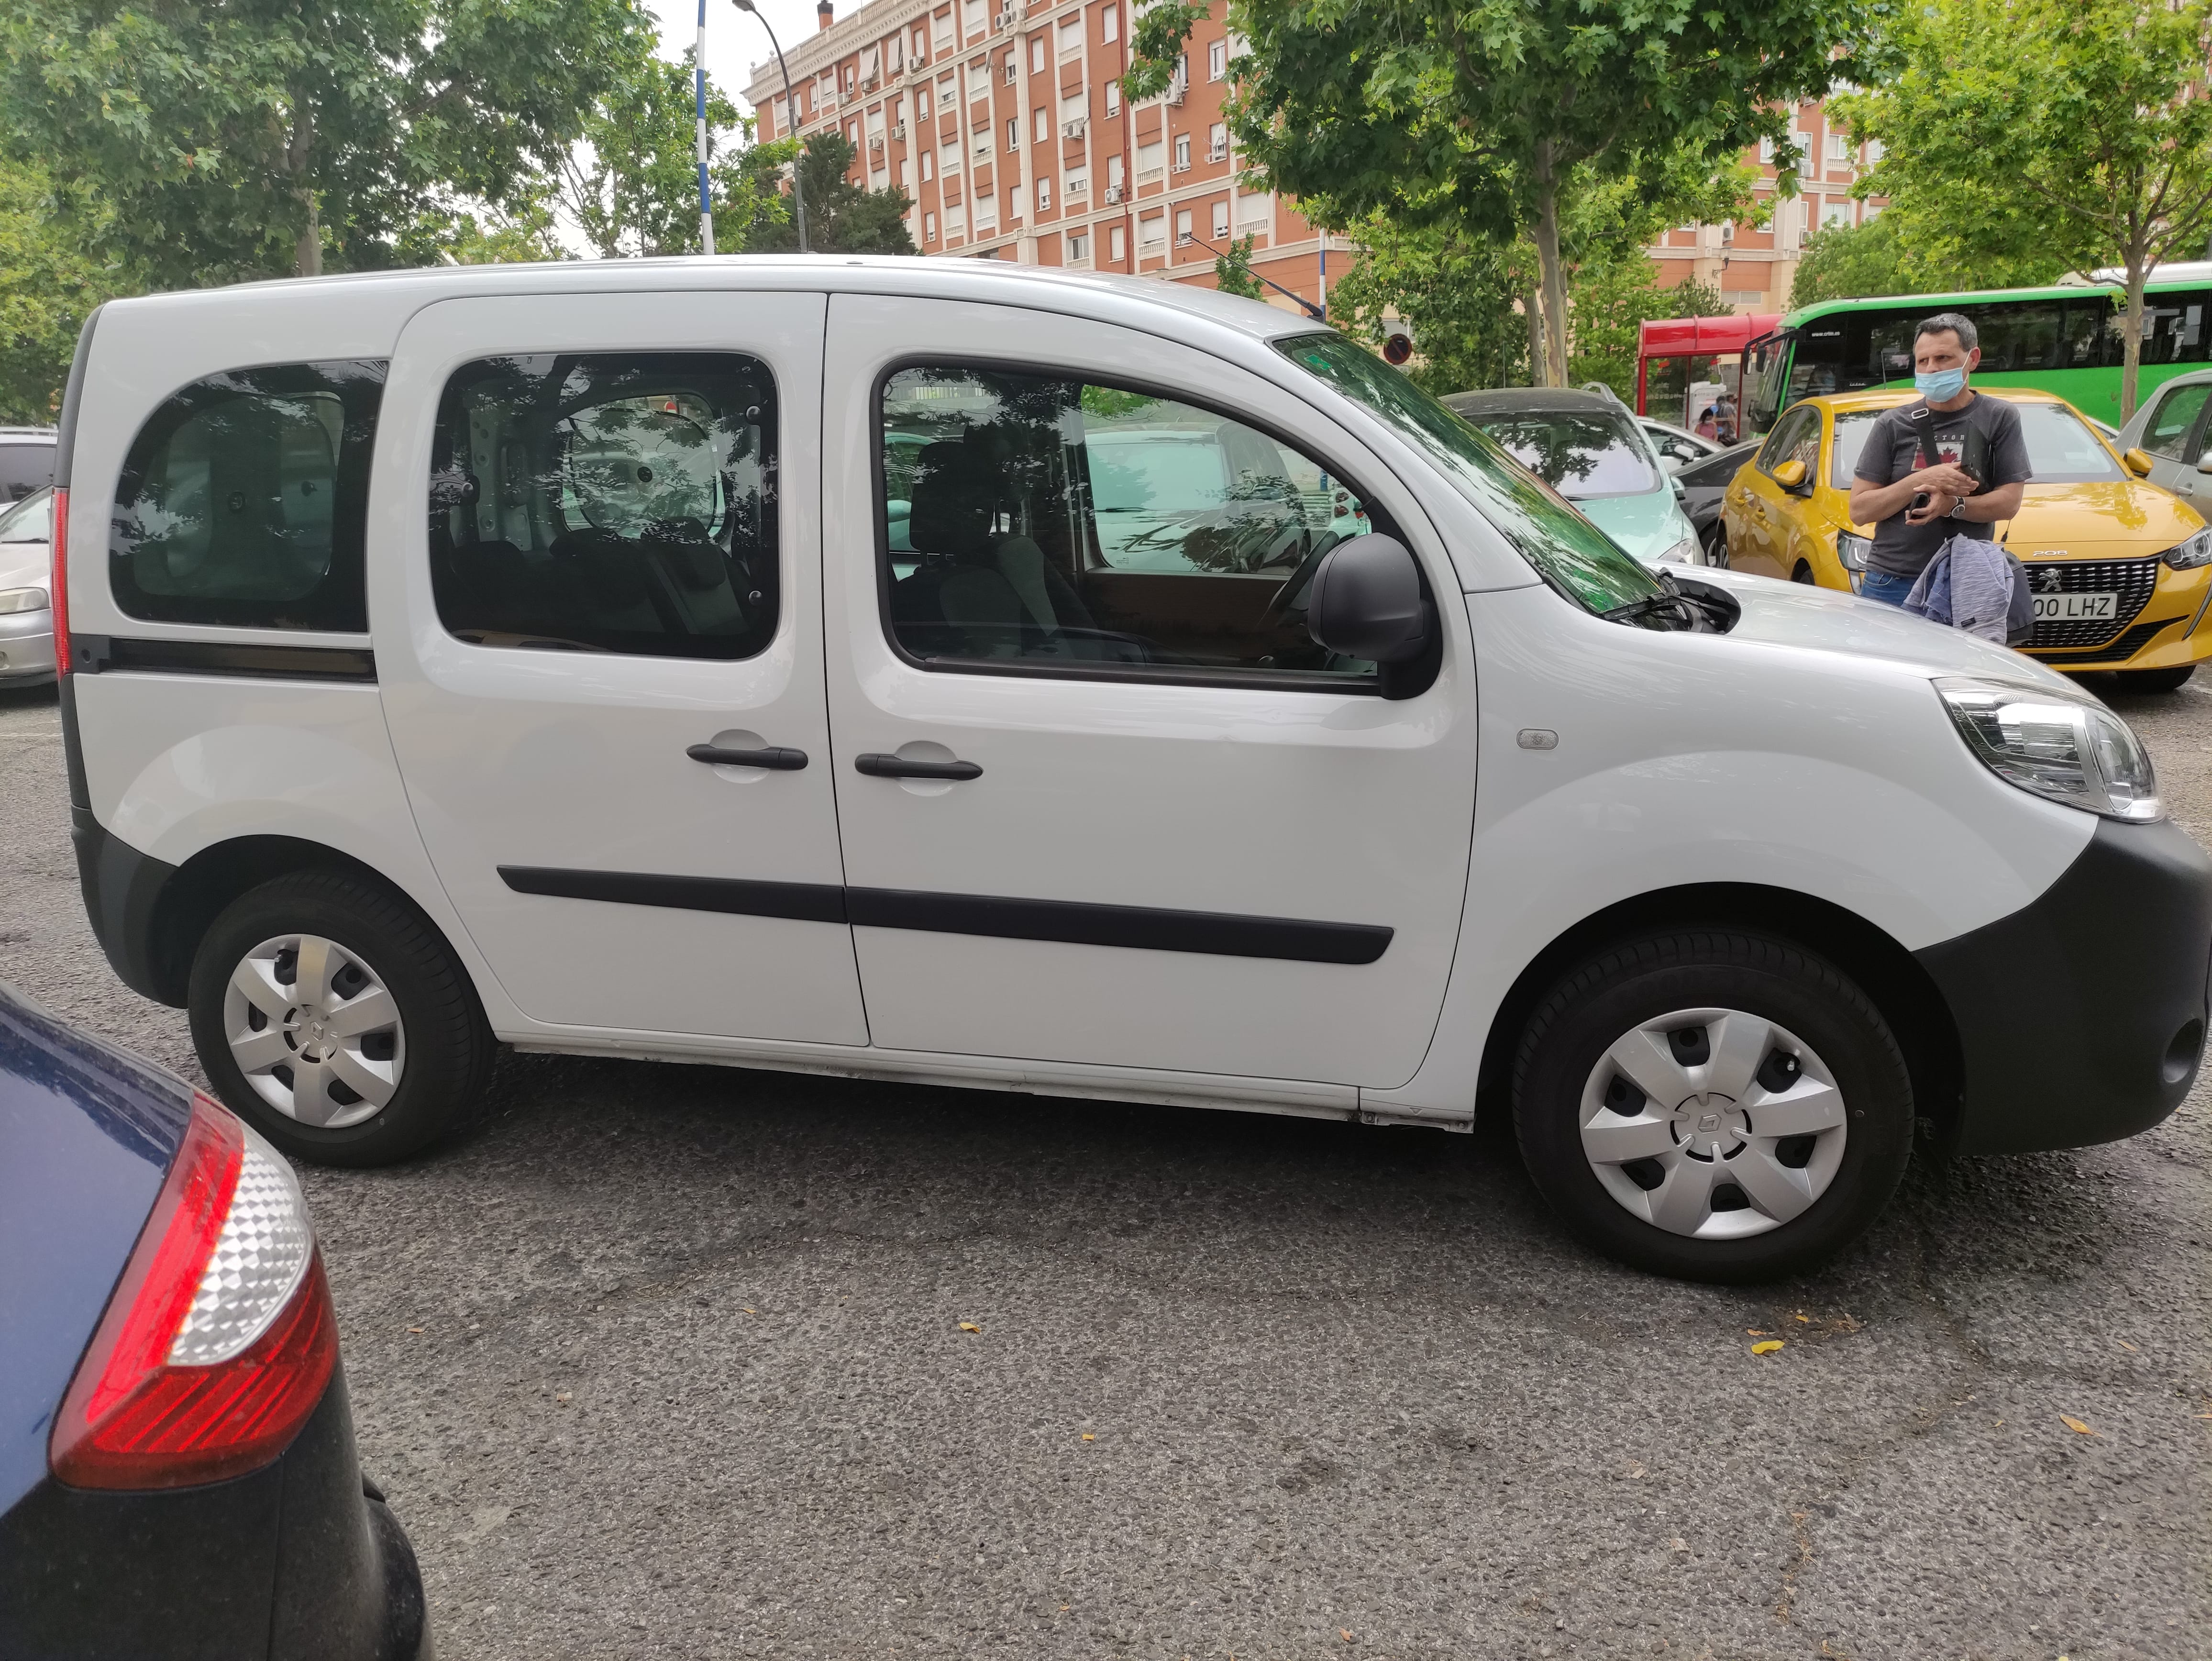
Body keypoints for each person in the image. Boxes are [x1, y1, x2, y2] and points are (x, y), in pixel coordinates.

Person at [1847, 312, 2031, 608]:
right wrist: (1922, 479)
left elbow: (2009, 503)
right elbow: (1859, 510)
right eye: (1923, 361)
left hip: (1966, 580)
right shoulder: (1892, 424)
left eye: (1943, 358)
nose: (1931, 369)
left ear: (1973, 359)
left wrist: (1951, 506)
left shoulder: (1999, 417)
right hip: (1893, 580)